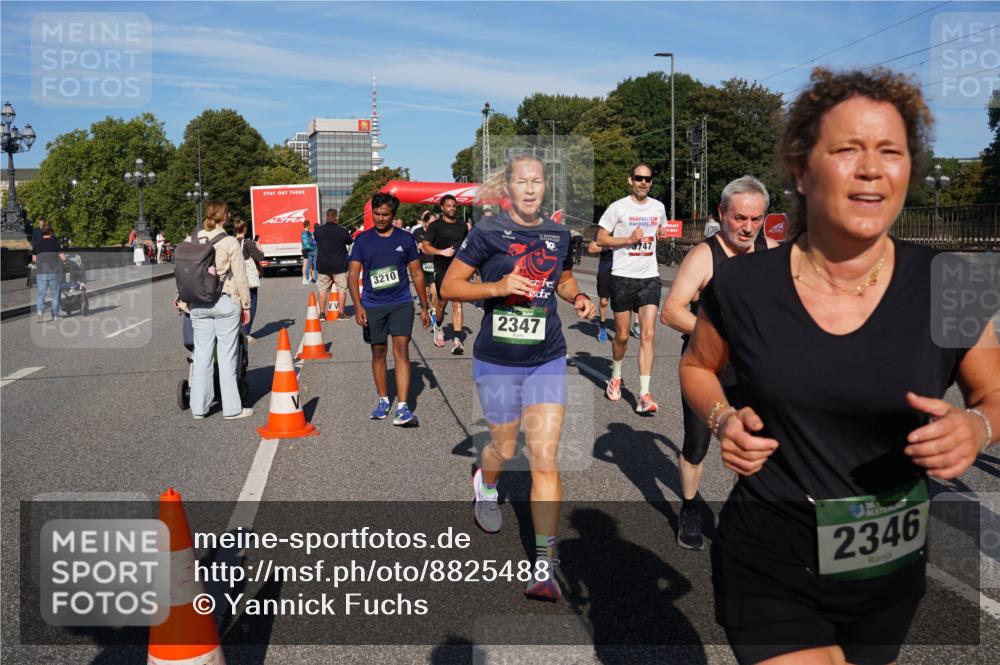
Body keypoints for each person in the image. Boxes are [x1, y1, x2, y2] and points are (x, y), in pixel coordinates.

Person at [680, 68, 1000, 665]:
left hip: (888, 567)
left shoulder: (949, 284)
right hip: (770, 554)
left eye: (891, 151)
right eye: (847, 149)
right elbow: (698, 367)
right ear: (802, 171)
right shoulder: (744, 286)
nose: (872, 168)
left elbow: (995, 392)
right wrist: (723, 418)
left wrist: (976, 427)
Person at [441, 155, 596, 601]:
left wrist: (579, 296)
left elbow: (563, 281)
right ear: (507, 189)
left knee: (544, 457)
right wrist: (496, 288)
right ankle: (485, 485)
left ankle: (544, 565)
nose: (530, 189)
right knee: (505, 447)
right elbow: (451, 287)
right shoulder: (487, 231)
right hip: (498, 358)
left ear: (545, 187)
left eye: (537, 182)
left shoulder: (558, 233)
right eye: (521, 182)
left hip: (547, 354)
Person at [660, 175, 778, 551]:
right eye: (739, 218)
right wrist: (724, 337)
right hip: (706, 366)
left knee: (752, 442)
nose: (747, 227)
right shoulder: (704, 256)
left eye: (755, 219)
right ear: (721, 214)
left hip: (752, 370)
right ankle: (691, 508)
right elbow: (672, 312)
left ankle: (742, 515)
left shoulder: (773, 252)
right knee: (697, 445)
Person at [347, 193, 430, 426]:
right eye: (376, 214)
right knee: (378, 351)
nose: (380, 218)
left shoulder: (405, 239)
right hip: (373, 305)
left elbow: (417, 273)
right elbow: (352, 275)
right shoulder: (363, 240)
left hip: (401, 302)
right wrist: (358, 306)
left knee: (401, 349)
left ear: (393, 215)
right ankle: (383, 400)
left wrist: (424, 307)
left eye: (385, 215)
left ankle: (403, 407)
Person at [596, 163, 670, 413]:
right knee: (623, 336)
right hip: (622, 277)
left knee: (648, 335)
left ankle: (644, 394)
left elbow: (661, 231)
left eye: (648, 179)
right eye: (639, 178)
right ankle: (615, 376)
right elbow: (601, 238)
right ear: (630, 180)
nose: (643, 183)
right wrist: (628, 240)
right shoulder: (618, 207)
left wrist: (662, 236)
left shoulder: (658, 207)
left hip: (649, 276)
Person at [176, 200, 253, 420]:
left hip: (197, 305)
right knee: (227, 356)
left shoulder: (189, 240)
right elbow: (240, 277)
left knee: (201, 356)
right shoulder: (229, 242)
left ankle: (198, 409)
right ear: (224, 217)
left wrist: (181, 300)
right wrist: (245, 305)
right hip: (224, 302)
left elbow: (185, 274)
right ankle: (232, 409)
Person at [421, 194, 469, 354]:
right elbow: (425, 246)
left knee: (457, 303)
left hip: (459, 269)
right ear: (442, 208)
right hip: (442, 269)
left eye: (454, 206)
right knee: (441, 304)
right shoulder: (436, 226)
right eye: (449, 206)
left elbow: (467, 246)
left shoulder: (462, 226)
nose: (452, 208)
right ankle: (439, 326)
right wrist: (441, 252)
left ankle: (457, 340)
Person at [314, 207, 352, 321]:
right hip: (339, 265)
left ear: (326, 217)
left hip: (323, 265)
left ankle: (321, 314)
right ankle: (341, 314)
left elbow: (317, 240)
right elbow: (350, 241)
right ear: (336, 218)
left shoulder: (318, 231)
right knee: (341, 289)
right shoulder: (342, 231)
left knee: (322, 289)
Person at [233, 218, 264, 341]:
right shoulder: (248, 243)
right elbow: (260, 256)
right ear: (245, 229)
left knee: (237, 304)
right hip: (248, 279)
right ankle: (245, 332)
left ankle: (236, 330)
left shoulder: (231, 242)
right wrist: (258, 245)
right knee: (251, 304)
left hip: (235, 276)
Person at [32, 224, 66, 323]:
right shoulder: (54, 243)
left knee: (41, 294)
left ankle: (39, 313)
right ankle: (55, 315)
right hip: (53, 271)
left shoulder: (37, 244)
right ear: (50, 232)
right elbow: (63, 257)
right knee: (55, 294)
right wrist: (65, 261)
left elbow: (34, 259)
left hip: (41, 272)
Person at [410, 210, 439, 326]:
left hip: (436, 264)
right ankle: (425, 310)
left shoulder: (438, 232)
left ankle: (434, 313)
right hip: (423, 264)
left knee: (436, 292)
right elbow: (421, 247)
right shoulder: (418, 232)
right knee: (426, 293)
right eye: (432, 222)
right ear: (425, 223)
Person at [586, 227, 613, 343]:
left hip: (623, 270)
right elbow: (591, 248)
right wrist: (609, 245)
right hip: (605, 268)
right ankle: (602, 327)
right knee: (604, 301)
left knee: (622, 302)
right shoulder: (604, 231)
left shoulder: (625, 229)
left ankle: (626, 328)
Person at [301, 220, 317, 284]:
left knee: (309, 265)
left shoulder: (309, 233)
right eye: (309, 225)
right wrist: (313, 248)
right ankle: (304, 278)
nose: (310, 226)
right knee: (306, 264)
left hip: (309, 250)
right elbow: (306, 244)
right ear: (308, 225)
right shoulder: (304, 233)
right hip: (306, 249)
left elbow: (312, 241)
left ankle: (309, 277)